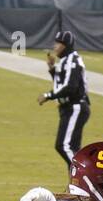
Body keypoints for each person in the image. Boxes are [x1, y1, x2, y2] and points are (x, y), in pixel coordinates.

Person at [38, 30, 90, 175]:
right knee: (73, 148)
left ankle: (85, 175)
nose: (55, 47)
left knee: (63, 145)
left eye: (58, 43)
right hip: (70, 107)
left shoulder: (72, 61)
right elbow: (60, 84)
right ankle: (76, 186)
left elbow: (70, 87)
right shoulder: (66, 61)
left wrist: (49, 95)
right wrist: (52, 68)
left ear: (66, 45)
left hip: (76, 106)